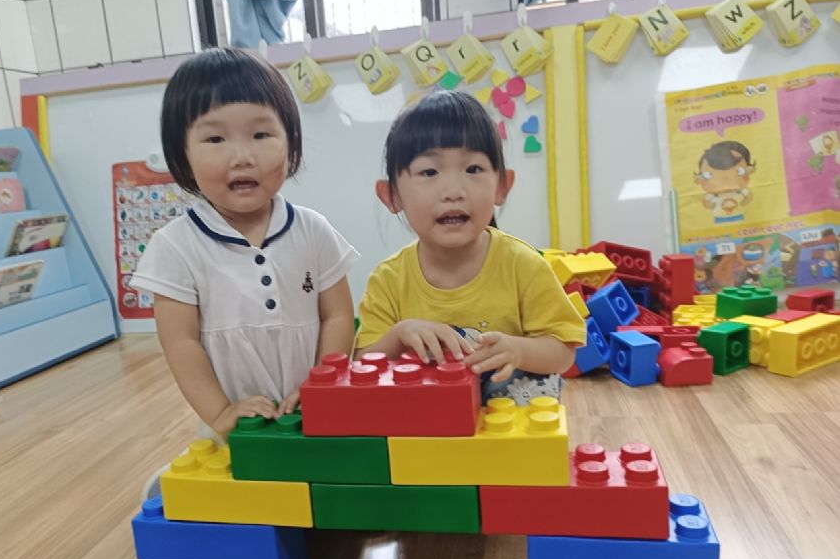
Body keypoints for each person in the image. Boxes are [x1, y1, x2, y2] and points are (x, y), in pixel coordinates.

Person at [131, 47, 358, 445]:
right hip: (235, 429)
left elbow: (338, 316)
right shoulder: (175, 247)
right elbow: (180, 343)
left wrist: (322, 388)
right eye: (215, 138)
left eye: (261, 135)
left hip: (314, 416)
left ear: (291, 142)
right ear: (182, 152)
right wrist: (221, 413)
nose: (242, 156)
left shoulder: (313, 231)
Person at [355, 91, 585, 404]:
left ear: (502, 186)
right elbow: (363, 363)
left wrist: (518, 350)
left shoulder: (523, 264)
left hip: (507, 420)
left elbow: (563, 352)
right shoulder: (388, 280)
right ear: (392, 196)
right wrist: (399, 334)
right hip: (427, 418)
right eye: (429, 172)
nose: (453, 191)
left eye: (473, 169)